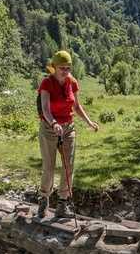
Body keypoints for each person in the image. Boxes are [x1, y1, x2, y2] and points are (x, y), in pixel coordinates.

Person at [37, 50, 99, 218]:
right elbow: (45, 109)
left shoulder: (72, 82)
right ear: (54, 67)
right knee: (49, 168)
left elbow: (76, 107)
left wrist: (89, 122)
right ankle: (43, 200)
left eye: (68, 67)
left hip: (68, 128)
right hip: (49, 129)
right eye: (62, 67)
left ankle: (62, 204)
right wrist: (54, 123)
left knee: (68, 166)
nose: (65, 70)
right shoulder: (46, 83)